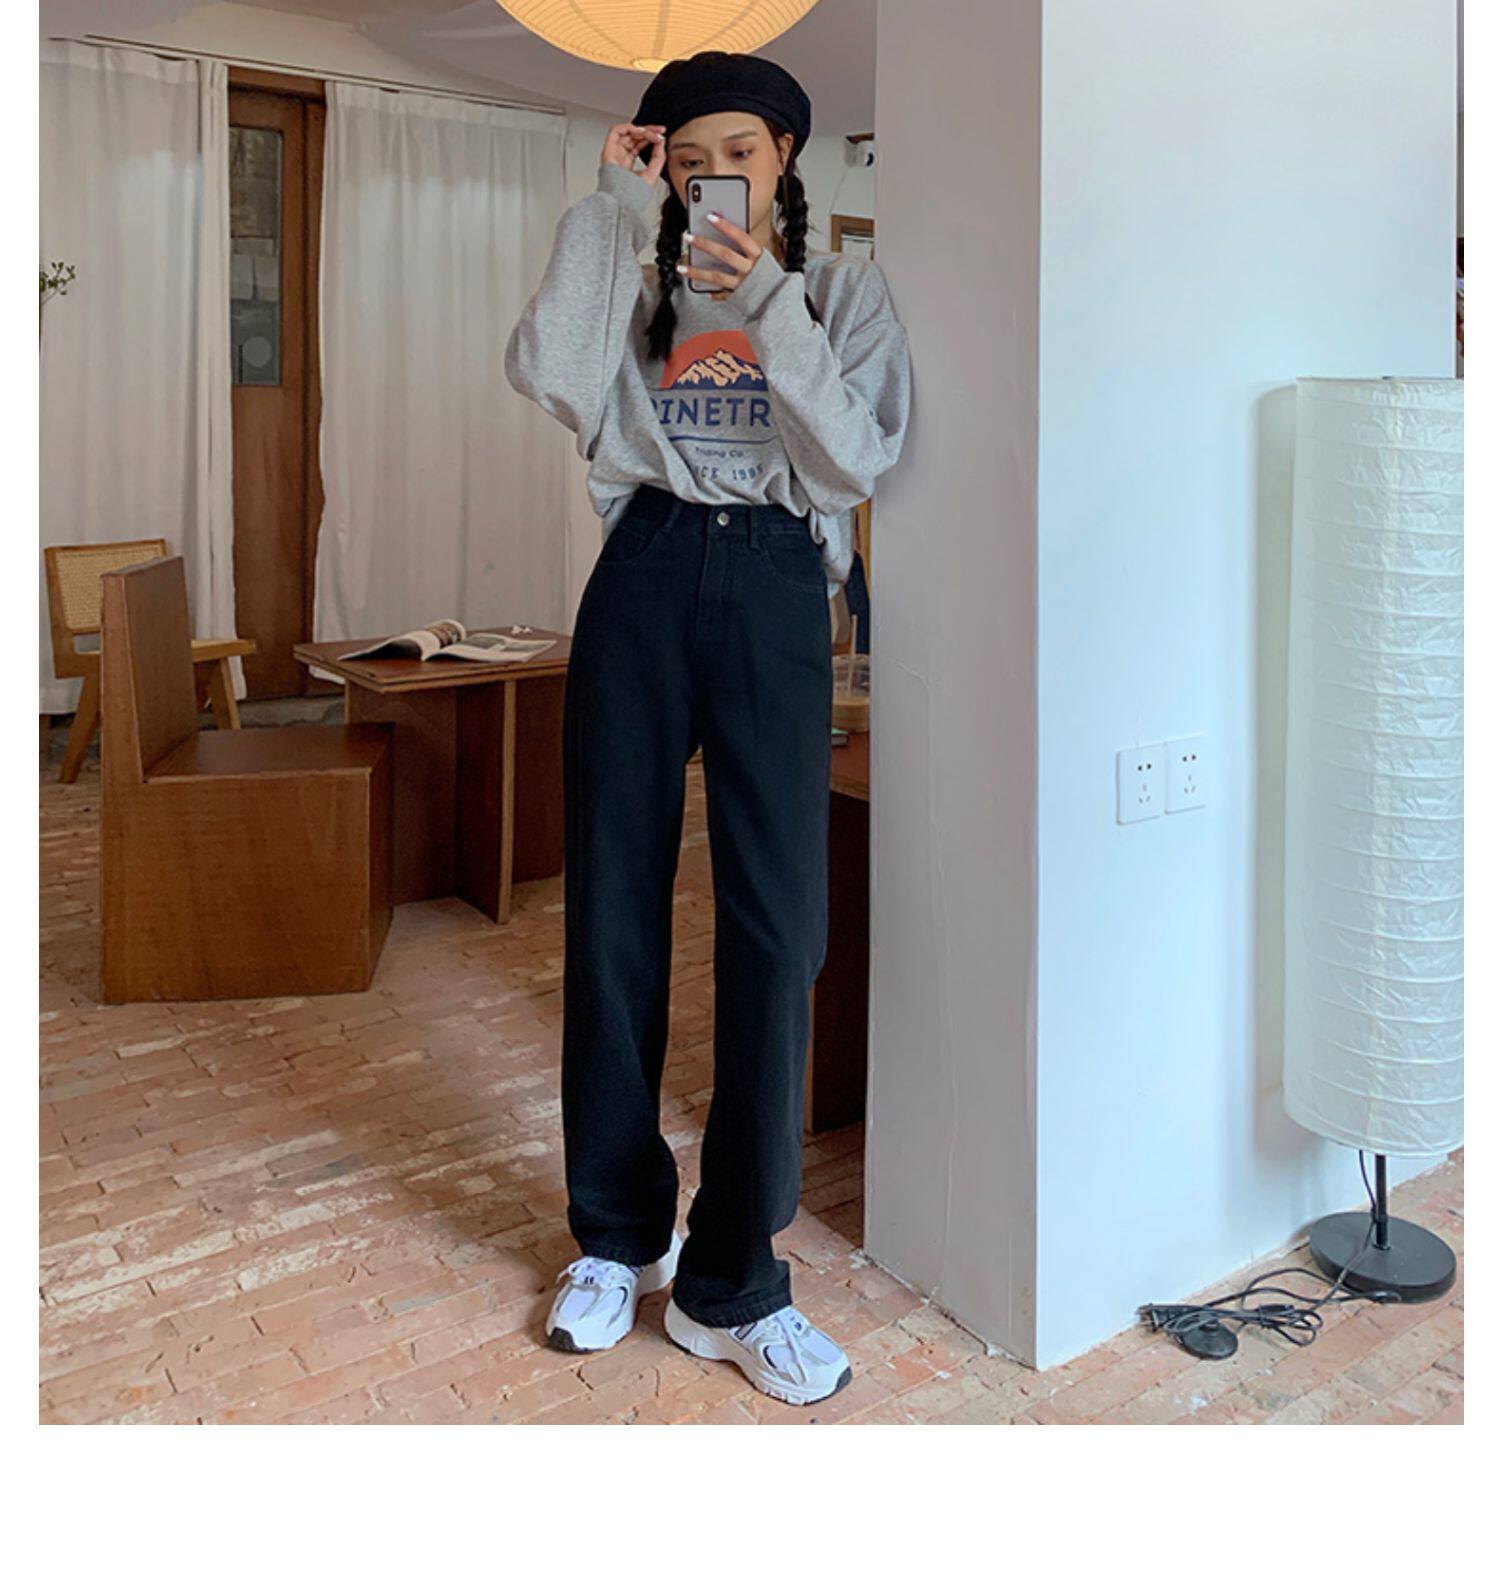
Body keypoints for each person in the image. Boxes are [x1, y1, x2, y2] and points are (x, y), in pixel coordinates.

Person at [504, 50, 912, 1407]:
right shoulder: (633, 280)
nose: (711, 176)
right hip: (646, 567)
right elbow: (547, 372)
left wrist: (765, 301)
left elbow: (854, 456)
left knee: (778, 928)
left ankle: (734, 1281)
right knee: (612, 904)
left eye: (736, 151)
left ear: (785, 155)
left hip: (778, 584)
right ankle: (619, 1237)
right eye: (686, 159)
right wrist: (608, 212)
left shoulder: (839, 293)